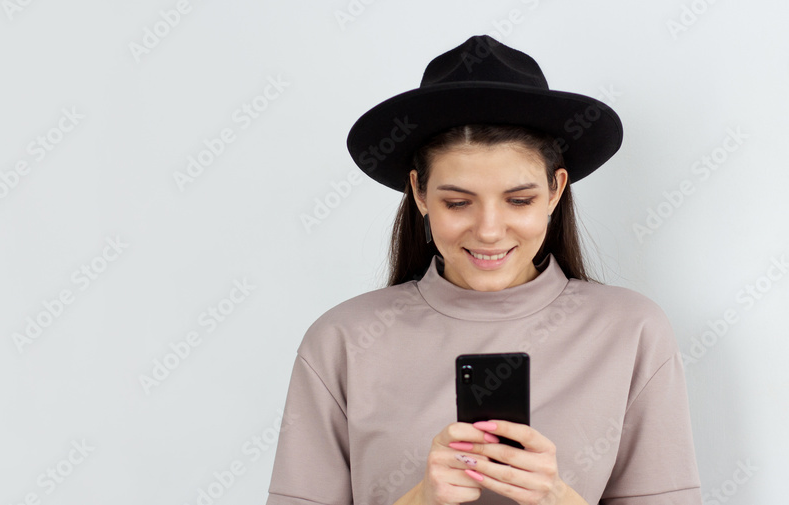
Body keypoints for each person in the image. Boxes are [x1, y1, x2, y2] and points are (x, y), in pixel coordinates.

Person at [264, 35, 702, 505]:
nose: (489, 231)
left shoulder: (631, 331)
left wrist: (558, 498)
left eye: (520, 200)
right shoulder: (343, 340)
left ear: (555, 191)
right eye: (458, 203)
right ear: (419, 193)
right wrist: (419, 501)